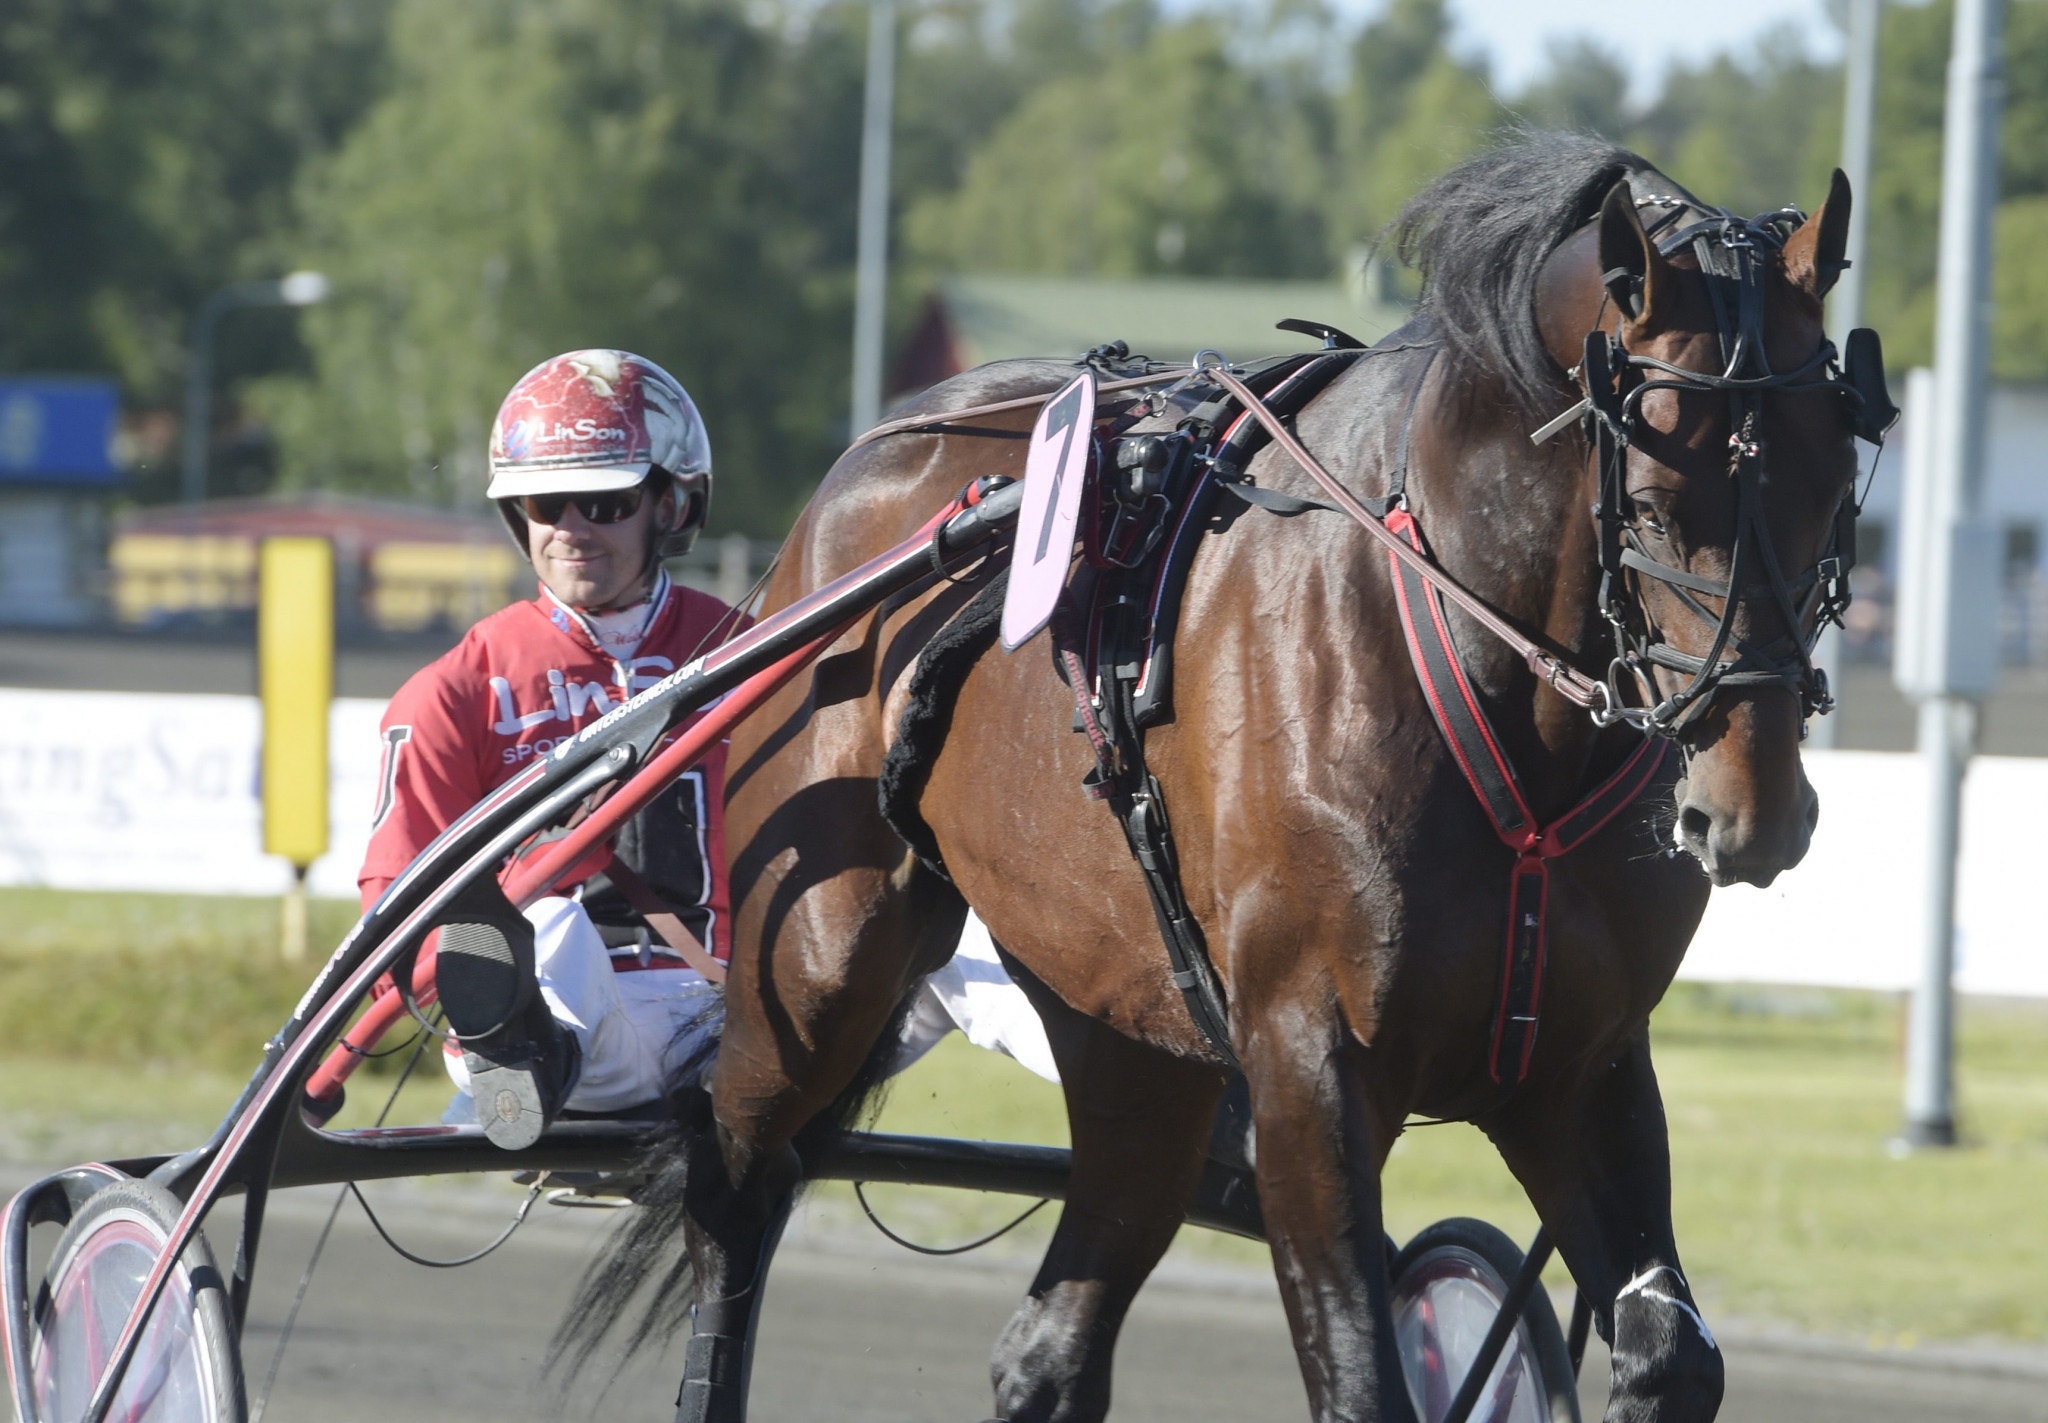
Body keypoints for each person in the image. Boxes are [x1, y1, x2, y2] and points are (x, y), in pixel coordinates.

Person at [360, 349, 1053, 1149]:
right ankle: (520, 1059)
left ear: (671, 503)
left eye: (605, 502)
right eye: (548, 503)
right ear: (519, 518)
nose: (574, 530)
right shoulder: (455, 691)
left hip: (756, 1020)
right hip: (590, 1025)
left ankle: (1152, 1080)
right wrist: (547, 865)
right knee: (549, 926)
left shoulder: (757, 650)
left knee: (947, 934)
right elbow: (393, 932)